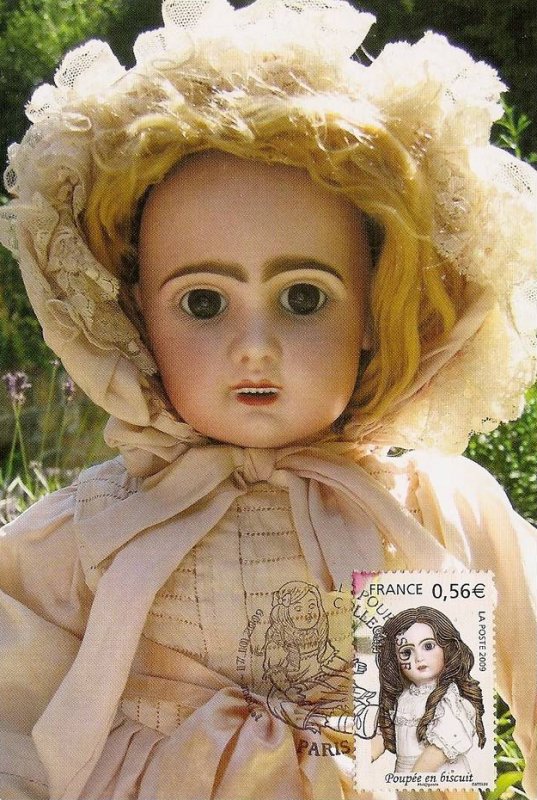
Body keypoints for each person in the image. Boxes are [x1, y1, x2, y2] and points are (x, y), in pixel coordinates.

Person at [0, 0, 536, 798]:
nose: (254, 346)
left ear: (371, 311)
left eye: (303, 297)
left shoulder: (423, 513)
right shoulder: (102, 527)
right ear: (137, 316)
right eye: (203, 302)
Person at [372, 607, 485, 774]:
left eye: (428, 646)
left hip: (436, 776)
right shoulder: (400, 699)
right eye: (406, 652)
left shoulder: (449, 699)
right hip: (405, 776)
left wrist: (412, 780)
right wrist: (362, 758)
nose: (419, 658)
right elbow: (381, 736)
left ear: (447, 648)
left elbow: (436, 753)